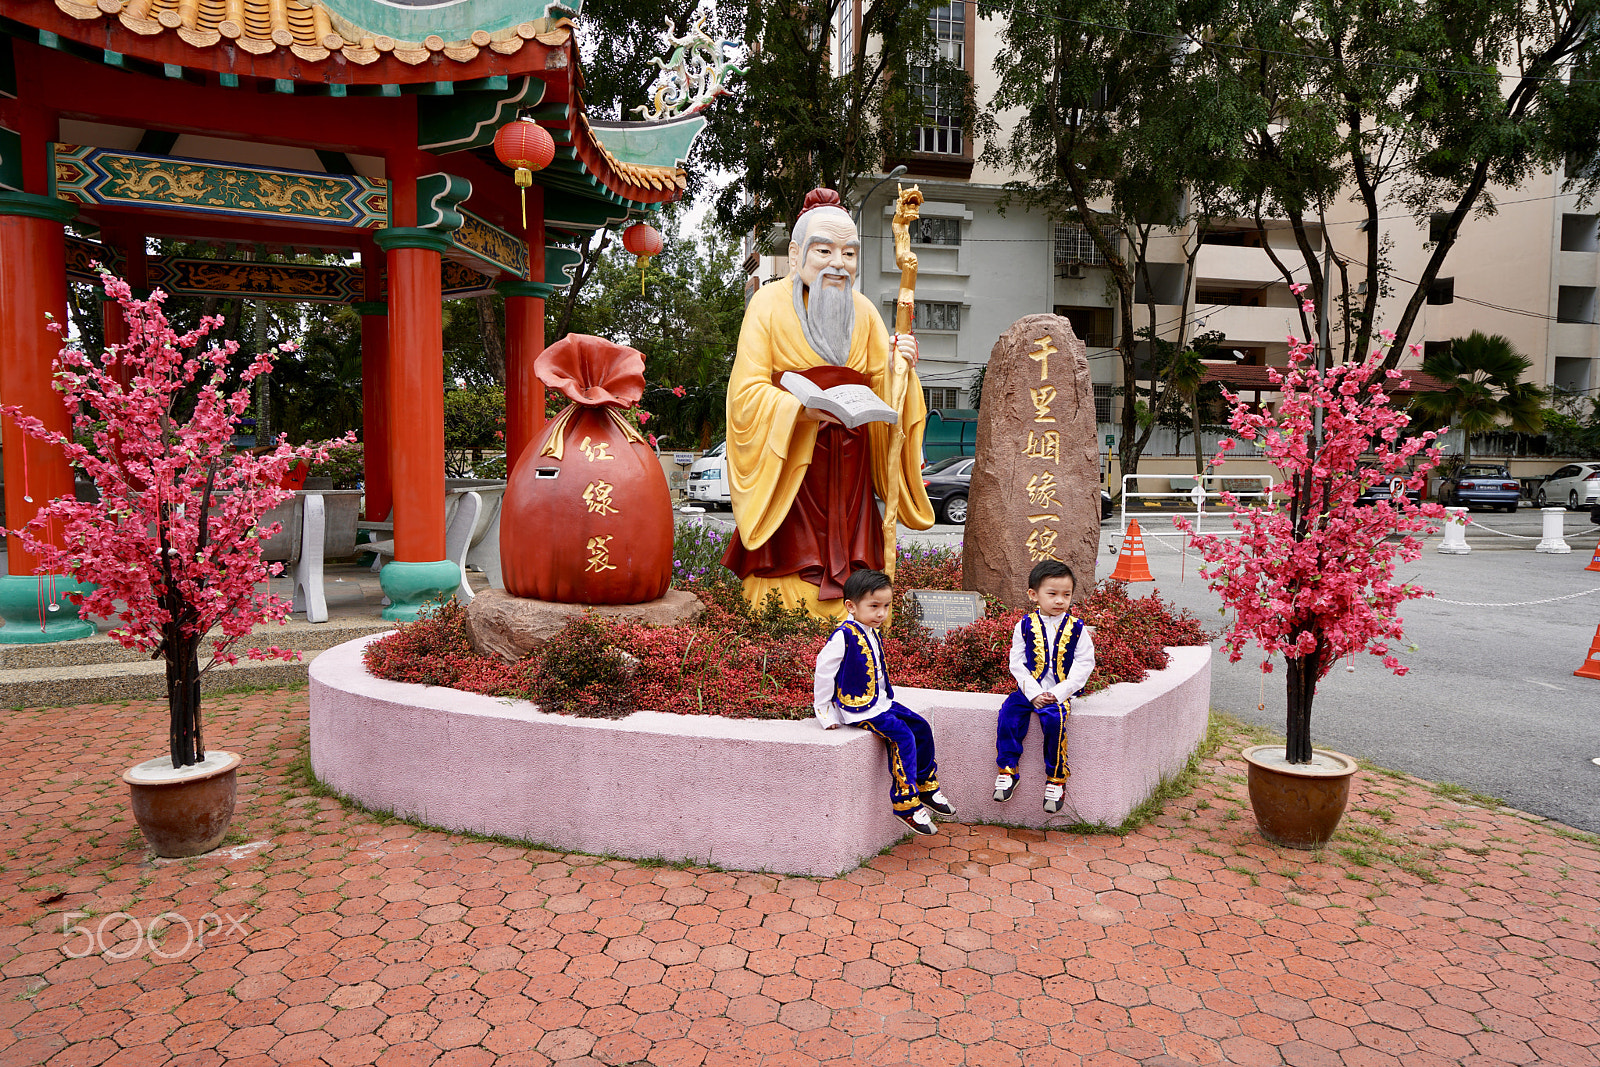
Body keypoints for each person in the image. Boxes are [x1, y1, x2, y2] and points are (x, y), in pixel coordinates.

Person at [722, 188, 934, 618]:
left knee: (856, 555)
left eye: (849, 254)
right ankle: (785, 616)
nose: (838, 263)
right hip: (793, 460)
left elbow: (888, 389)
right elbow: (745, 393)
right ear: (797, 252)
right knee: (793, 559)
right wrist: (797, 410)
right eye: (824, 250)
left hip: (851, 459)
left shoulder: (866, 312)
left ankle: (860, 612)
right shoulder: (766, 305)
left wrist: (901, 368)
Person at [813, 569, 957, 836]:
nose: (881, 613)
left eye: (886, 606)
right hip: (858, 709)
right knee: (902, 736)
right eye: (874, 606)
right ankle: (905, 803)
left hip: (880, 702)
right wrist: (825, 713)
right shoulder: (843, 636)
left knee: (921, 727)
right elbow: (824, 672)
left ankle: (926, 785)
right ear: (851, 606)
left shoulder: (869, 630)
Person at [994, 560, 1096, 813]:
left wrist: (1058, 693)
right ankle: (1008, 770)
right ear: (1034, 595)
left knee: (1054, 722)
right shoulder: (1025, 625)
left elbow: (1084, 664)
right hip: (1029, 689)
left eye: (1066, 595)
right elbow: (1016, 662)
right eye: (1052, 594)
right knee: (1008, 715)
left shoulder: (1078, 628)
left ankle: (1056, 779)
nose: (1060, 601)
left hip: (1059, 692)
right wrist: (1034, 692)